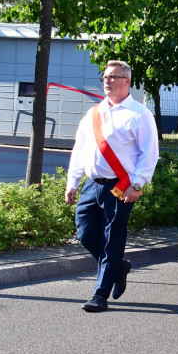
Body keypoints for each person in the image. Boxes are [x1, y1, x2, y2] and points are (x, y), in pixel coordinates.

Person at [65, 60, 159, 311]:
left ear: (126, 82)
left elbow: (149, 153)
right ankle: (118, 267)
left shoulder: (140, 114)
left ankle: (100, 295)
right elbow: (80, 148)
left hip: (120, 187)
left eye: (113, 77)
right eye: (105, 77)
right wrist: (72, 181)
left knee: (112, 241)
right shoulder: (94, 113)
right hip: (92, 184)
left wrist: (137, 185)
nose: (107, 81)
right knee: (85, 234)